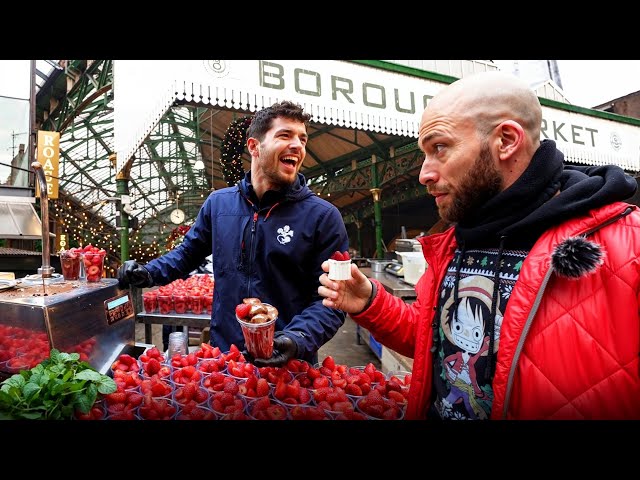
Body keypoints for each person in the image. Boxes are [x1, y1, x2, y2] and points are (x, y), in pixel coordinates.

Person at [318, 71, 640, 420]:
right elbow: (441, 344)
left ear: (506, 140)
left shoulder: (627, 246)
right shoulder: (455, 243)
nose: (424, 173)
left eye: (439, 147)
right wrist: (370, 302)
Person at [119, 100, 348, 366]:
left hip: (289, 366)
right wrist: (148, 273)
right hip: (225, 358)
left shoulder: (325, 216)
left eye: (302, 138)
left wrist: (297, 338)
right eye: (285, 135)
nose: (298, 145)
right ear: (254, 146)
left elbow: (335, 299)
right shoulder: (219, 205)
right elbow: (187, 254)